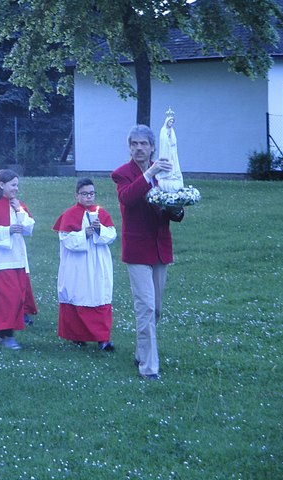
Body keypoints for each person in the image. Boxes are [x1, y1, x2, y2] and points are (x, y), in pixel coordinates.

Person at [111, 124, 185, 380]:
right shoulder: (122, 174)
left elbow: (172, 210)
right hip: (137, 250)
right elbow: (128, 199)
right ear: (129, 147)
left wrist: (177, 209)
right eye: (134, 144)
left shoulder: (165, 173)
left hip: (160, 247)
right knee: (145, 307)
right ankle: (149, 368)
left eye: (143, 144)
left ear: (153, 146)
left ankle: (142, 352)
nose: (139, 148)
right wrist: (150, 172)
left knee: (156, 309)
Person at [53, 178, 117, 350]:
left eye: (92, 193)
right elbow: (65, 239)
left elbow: (111, 235)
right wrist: (84, 235)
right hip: (77, 265)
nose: (89, 197)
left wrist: (98, 230)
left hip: (98, 263)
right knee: (77, 294)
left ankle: (103, 339)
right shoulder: (69, 214)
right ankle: (77, 336)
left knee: (99, 294)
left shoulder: (101, 214)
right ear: (77, 195)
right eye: (85, 194)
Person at [0, 169, 37, 350]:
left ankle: (5, 334)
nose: (16, 189)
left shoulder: (16, 205)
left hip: (16, 259)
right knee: (6, 299)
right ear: (1, 185)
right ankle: (6, 335)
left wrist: (19, 209)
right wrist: (8, 230)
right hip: (0, 261)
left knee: (17, 297)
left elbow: (28, 227)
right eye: (13, 185)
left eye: (17, 185)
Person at [156, 111, 184, 192]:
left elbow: (174, 141)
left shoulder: (172, 130)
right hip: (166, 151)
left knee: (174, 163)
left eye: (172, 122)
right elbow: (163, 140)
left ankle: (173, 174)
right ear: (167, 122)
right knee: (167, 162)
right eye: (170, 121)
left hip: (172, 151)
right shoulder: (163, 130)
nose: (171, 123)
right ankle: (166, 175)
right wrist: (167, 139)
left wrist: (171, 138)